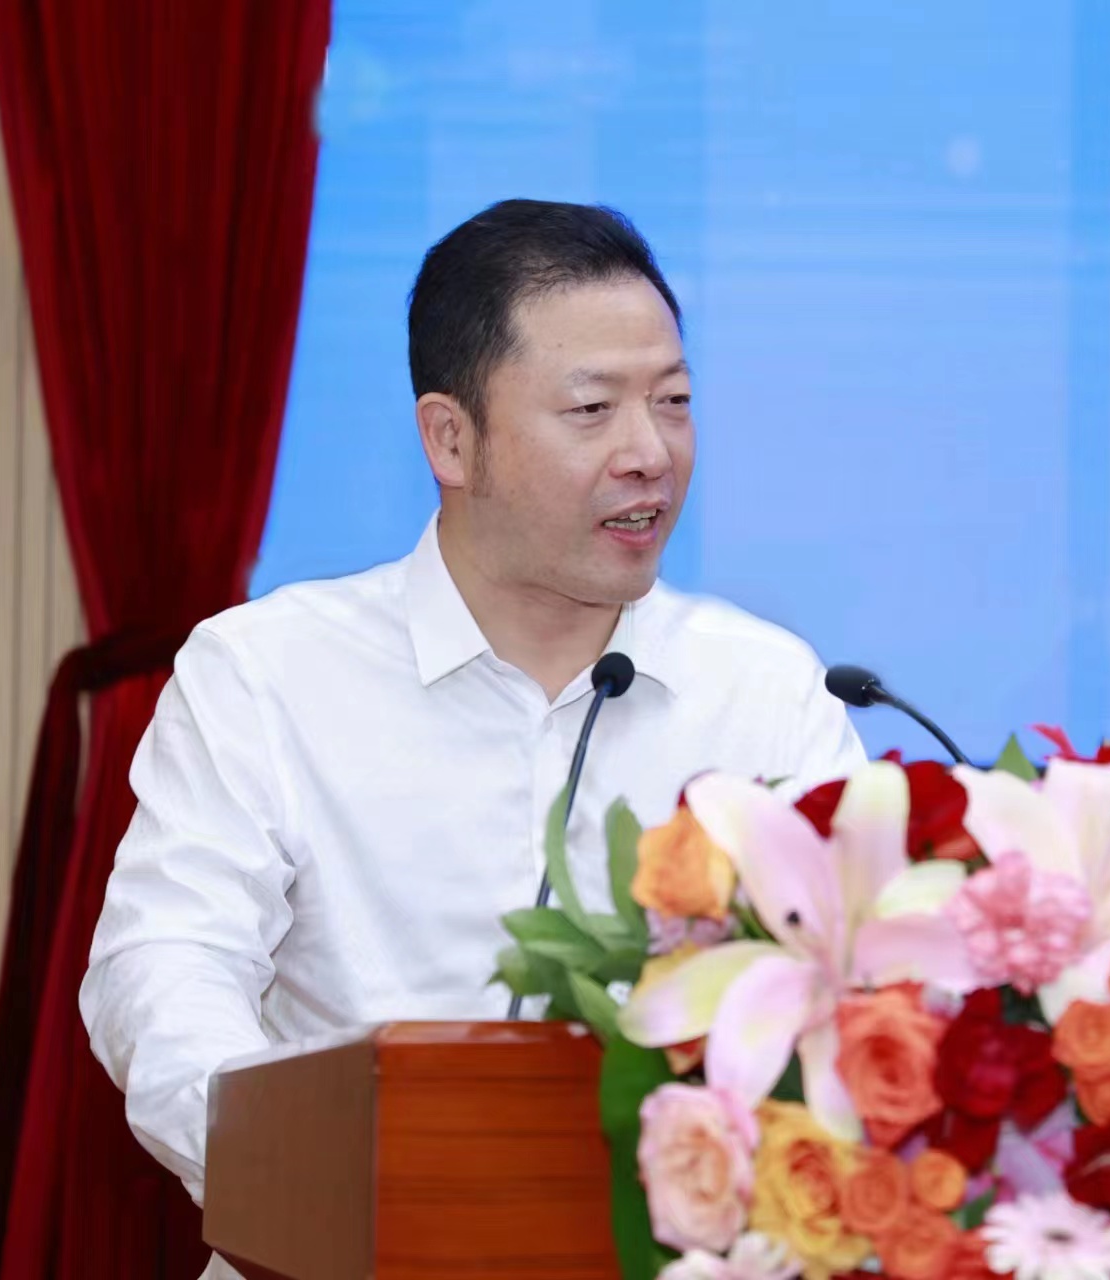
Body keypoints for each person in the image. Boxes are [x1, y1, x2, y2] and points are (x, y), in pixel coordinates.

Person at [79, 199, 866, 1276]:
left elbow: (854, 990)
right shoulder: (265, 672)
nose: (650, 452)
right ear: (451, 438)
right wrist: (309, 1182)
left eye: (673, 402)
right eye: (592, 409)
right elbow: (165, 966)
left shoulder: (765, 687)